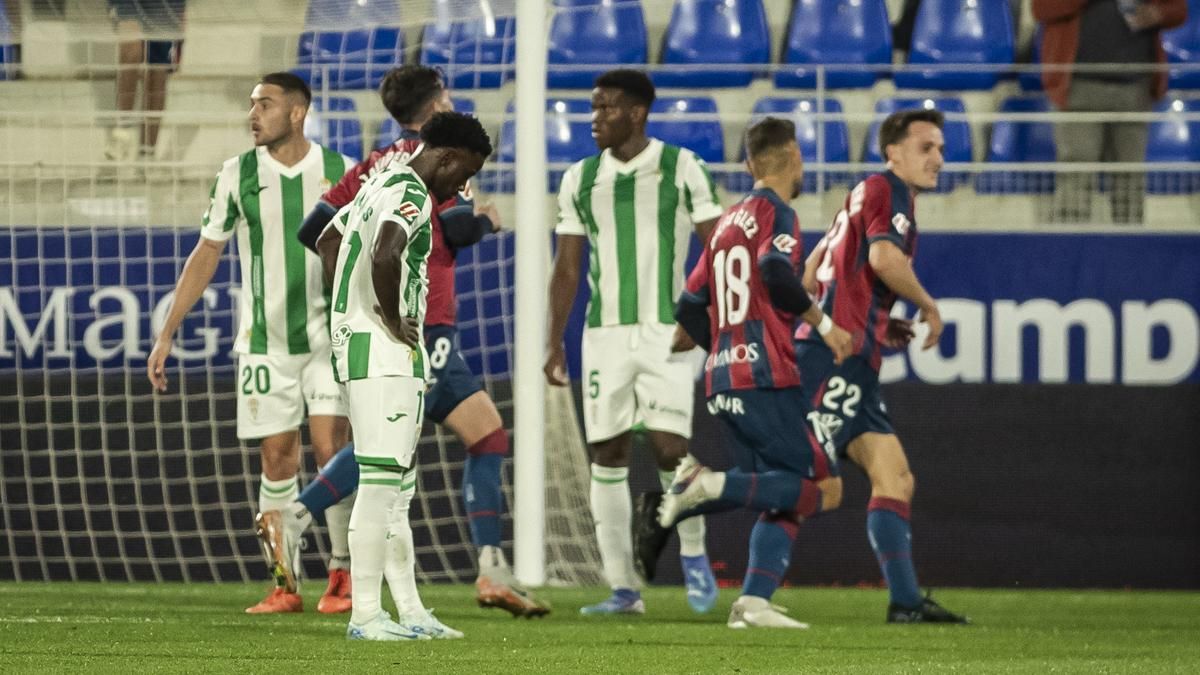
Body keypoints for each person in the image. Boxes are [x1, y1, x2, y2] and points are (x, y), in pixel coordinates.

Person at [290, 64, 549, 618]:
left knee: (435, 443)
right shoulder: (437, 166)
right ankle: (303, 523)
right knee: (403, 452)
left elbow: (316, 230)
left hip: (393, 319)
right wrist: (485, 222)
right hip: (417, 318)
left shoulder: (374, 165)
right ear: (436, 107)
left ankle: (448, 584)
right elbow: (447, 231)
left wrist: (347, 289)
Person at [146, 72, 356, 614]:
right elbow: (207, 253)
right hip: (265, 343)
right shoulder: (236, 174)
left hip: (330, 339)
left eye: (265, 104)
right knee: (277, 459)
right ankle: (286, 583)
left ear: (296, 112)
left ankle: (342, 573)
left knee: (332, 447)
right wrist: (167, 331)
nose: (253, 114)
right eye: (251, 105)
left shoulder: (340, 171)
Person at [660, 117, 853, 629]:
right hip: (766, 375)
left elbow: (689, 305)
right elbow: (773, 270)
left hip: (723, 380)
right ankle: (709, 483)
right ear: (794, 155)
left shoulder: (726, 223)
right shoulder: (777, 213)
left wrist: (724, 346)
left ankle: (753, 602)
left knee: (780, 488)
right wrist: (825, 323)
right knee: (824, 487)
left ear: (749, 164)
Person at [545, 68, 721, 615]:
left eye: (606, 108)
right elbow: (567, 268)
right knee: (609, 451)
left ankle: (693, 553)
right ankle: (624, 588)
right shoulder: (579, 177)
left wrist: (702, 318)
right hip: (605, 335)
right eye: (593, 108)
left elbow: (719, 248)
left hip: (666, 330)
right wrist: (554, 340)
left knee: (671, 449)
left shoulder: (682, 167)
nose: (594, 119)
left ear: (637, 112)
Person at [316, 110, 492, 641]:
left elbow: (327, 240)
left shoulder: (377, 183)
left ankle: (411, 610)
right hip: (384, 353)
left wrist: (346, 309)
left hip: (369, 348)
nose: (462, 186)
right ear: (445, 156)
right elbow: (387, 250)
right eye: (464, 173)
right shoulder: (410, 192)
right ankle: (366, 614)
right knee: (379, 487)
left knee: (397, 489)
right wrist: (390, 318)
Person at [796, 109, 968, 624]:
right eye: (926, 147)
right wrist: (928, 306)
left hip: (850, 354)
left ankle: (906, 603)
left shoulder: (861, 194)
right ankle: (697, 494)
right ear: (893, 151)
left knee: (895, 477)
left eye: (940, 148)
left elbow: (810, 273)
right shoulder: (887, 191)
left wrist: (876, 317)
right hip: (836, 357)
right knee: (810, 488)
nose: (938, 157)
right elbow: (884, 261)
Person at [1033, 0, 1188, 224]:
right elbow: (1042, 9)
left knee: (1129, 176)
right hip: (1078, 87)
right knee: (1076, 173)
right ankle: (1071, 249)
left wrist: (1158, 13)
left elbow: (1178, 10)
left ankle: (1129, 249)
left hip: (1135, 88)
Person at [105, 0, 187, 161]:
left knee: (158, 70)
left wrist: (182, 16)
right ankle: (122, 132)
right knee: (131, 50)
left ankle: (147, 154)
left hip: (167, 5)